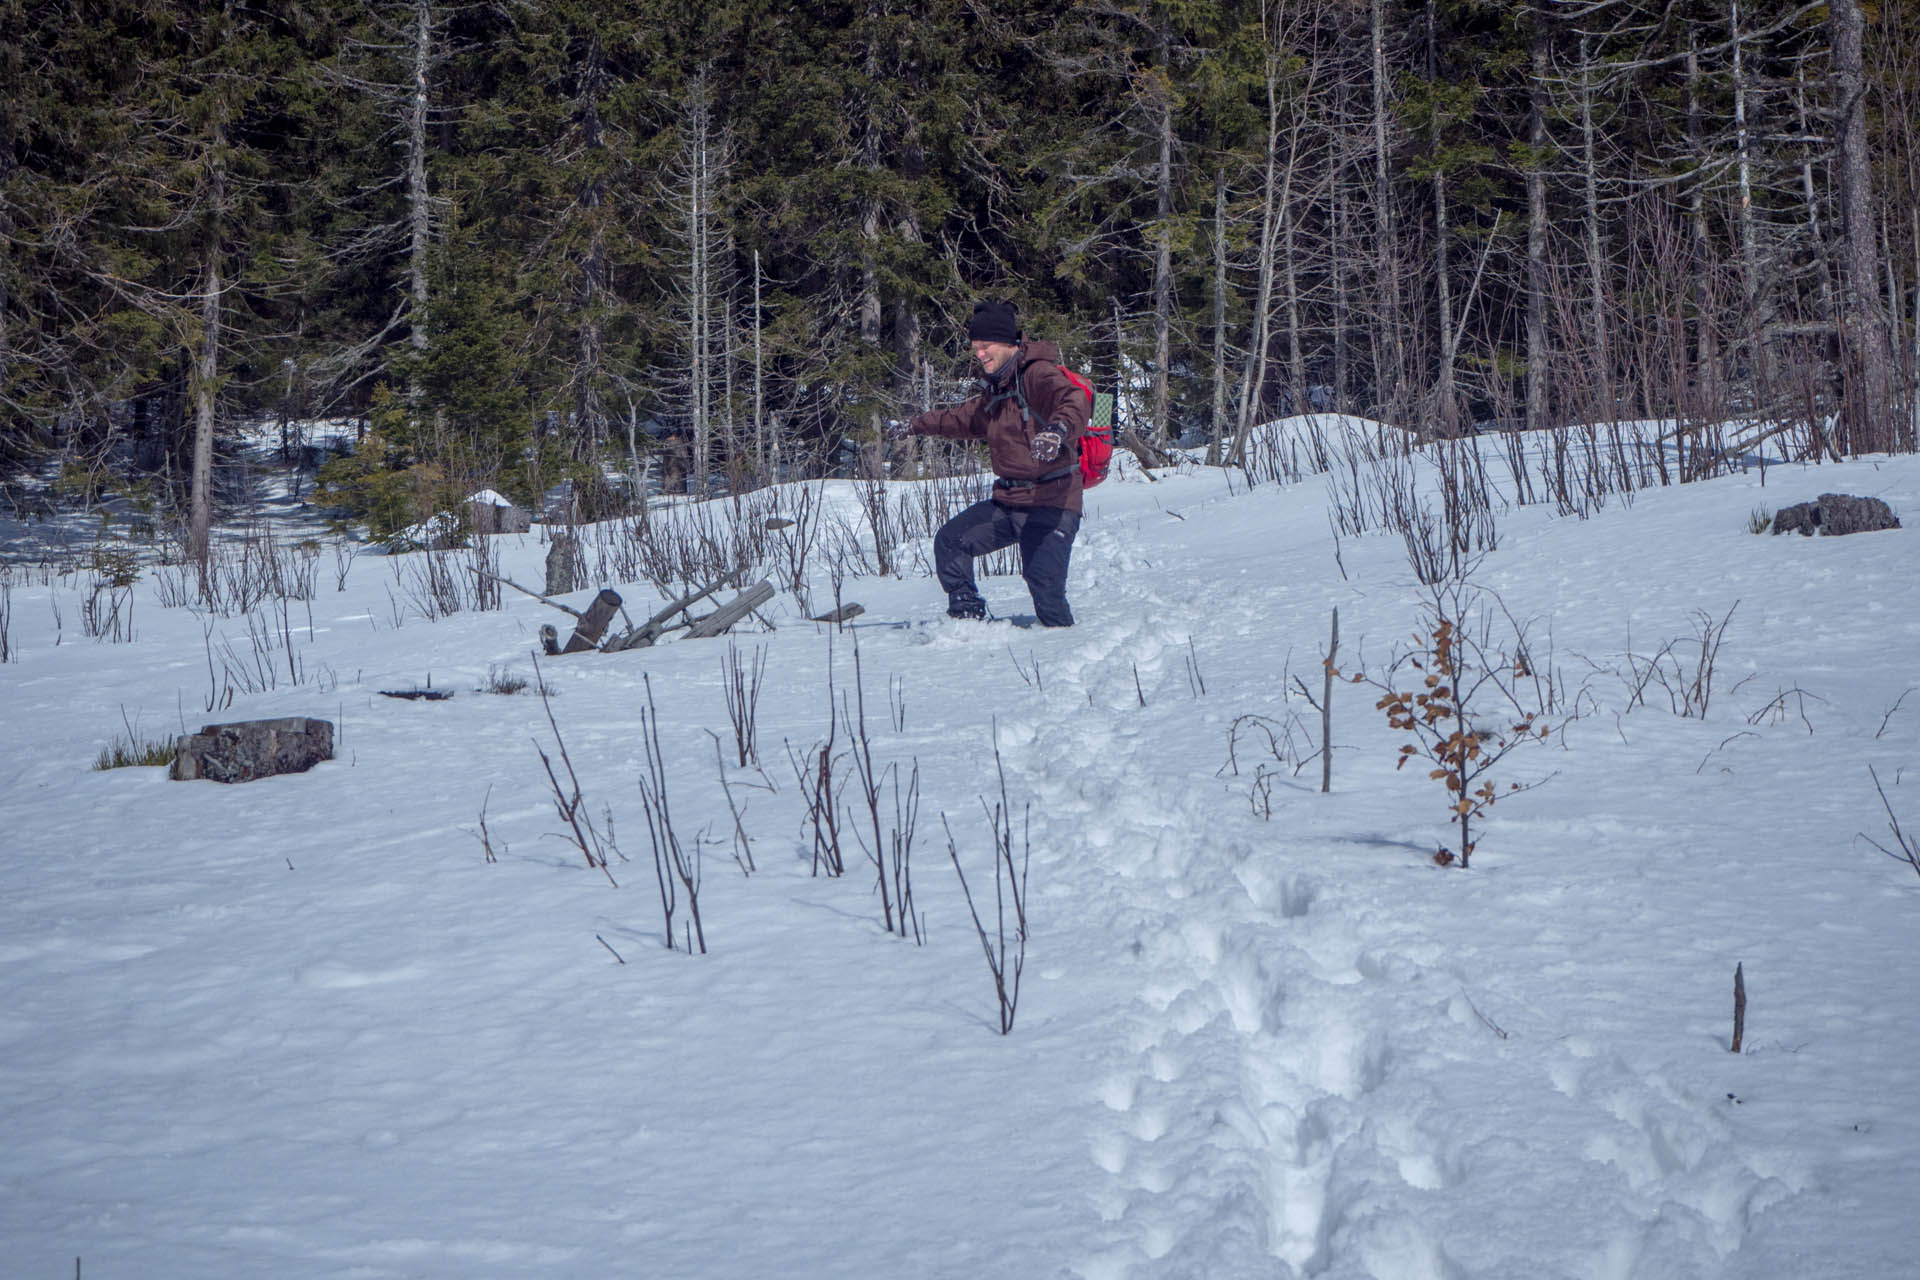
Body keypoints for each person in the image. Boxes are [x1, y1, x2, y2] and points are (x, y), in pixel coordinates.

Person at [894, 300, 1090, 627]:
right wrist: (916, 424)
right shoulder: (997, 388)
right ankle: (967, 620)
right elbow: (963, 418)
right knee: (951, 541)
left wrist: (1057, 430)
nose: (979, 354)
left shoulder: (1038, 374)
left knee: (1044, 586)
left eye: (985, 346)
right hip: (1009, 503)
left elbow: (1074, 399)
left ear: (1009, 343)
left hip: (1052, 504)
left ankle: (1063, 647)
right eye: (975, 348)